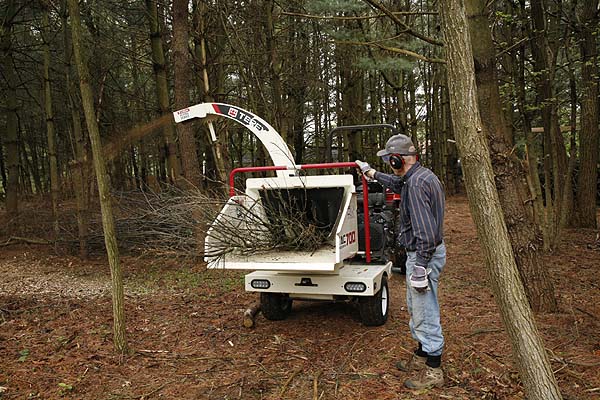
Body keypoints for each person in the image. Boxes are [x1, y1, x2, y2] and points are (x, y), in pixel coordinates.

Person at [355, 133, 446, 390]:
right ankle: (422, 355)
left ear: (398, 159)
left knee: (424, 310)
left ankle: (433, 369)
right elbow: (397, 184)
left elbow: (426, 233)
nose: (388, 165)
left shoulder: (416, 186)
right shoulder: (420, 177)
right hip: (424, 254)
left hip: (422, 255)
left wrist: (420, 266)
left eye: (389, 160)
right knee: (415, 306)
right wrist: (371, 173)